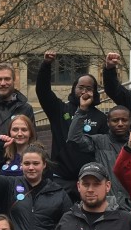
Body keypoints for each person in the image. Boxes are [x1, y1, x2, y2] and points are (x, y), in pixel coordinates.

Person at [36, 50, 107, 189]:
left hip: (89, 179)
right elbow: (43, 91)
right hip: (61, 177)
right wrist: (46, 65)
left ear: (94, 92)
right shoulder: (60, 110)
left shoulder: (101, 118)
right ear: (74, 88)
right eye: (80, 87)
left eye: (89, 88)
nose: (84, 91)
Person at [68, 98, 131, 211]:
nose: (120, 124)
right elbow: (74, 139)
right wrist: (82, 111)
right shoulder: (98, 141)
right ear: (108, 122)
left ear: (130, 121)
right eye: (115, 120)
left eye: (124, 120)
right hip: (105, 207)